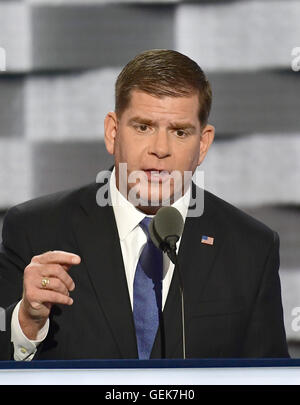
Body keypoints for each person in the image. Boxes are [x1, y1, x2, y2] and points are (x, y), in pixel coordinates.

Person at [0, 49, 289, 361]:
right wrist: (27, 323)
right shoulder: (34, 230)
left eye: (179, 132)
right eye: (143, 127)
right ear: (113, 132)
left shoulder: (250, 248)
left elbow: (267, 376)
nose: (160, 149)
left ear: (203, 143)